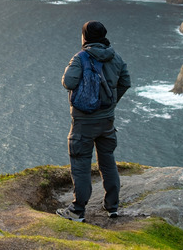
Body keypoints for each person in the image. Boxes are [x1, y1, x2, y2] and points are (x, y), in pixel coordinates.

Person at [56, 20, 131, 222]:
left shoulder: (80, 58)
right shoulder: (116, 58)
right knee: (108, 162)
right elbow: (126, 82)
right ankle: (112, 206)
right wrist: (110, 103)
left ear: (85, 37)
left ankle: (77, 210)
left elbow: (68, 82)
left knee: (81, 164)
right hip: (107, 121)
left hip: (83, 123)